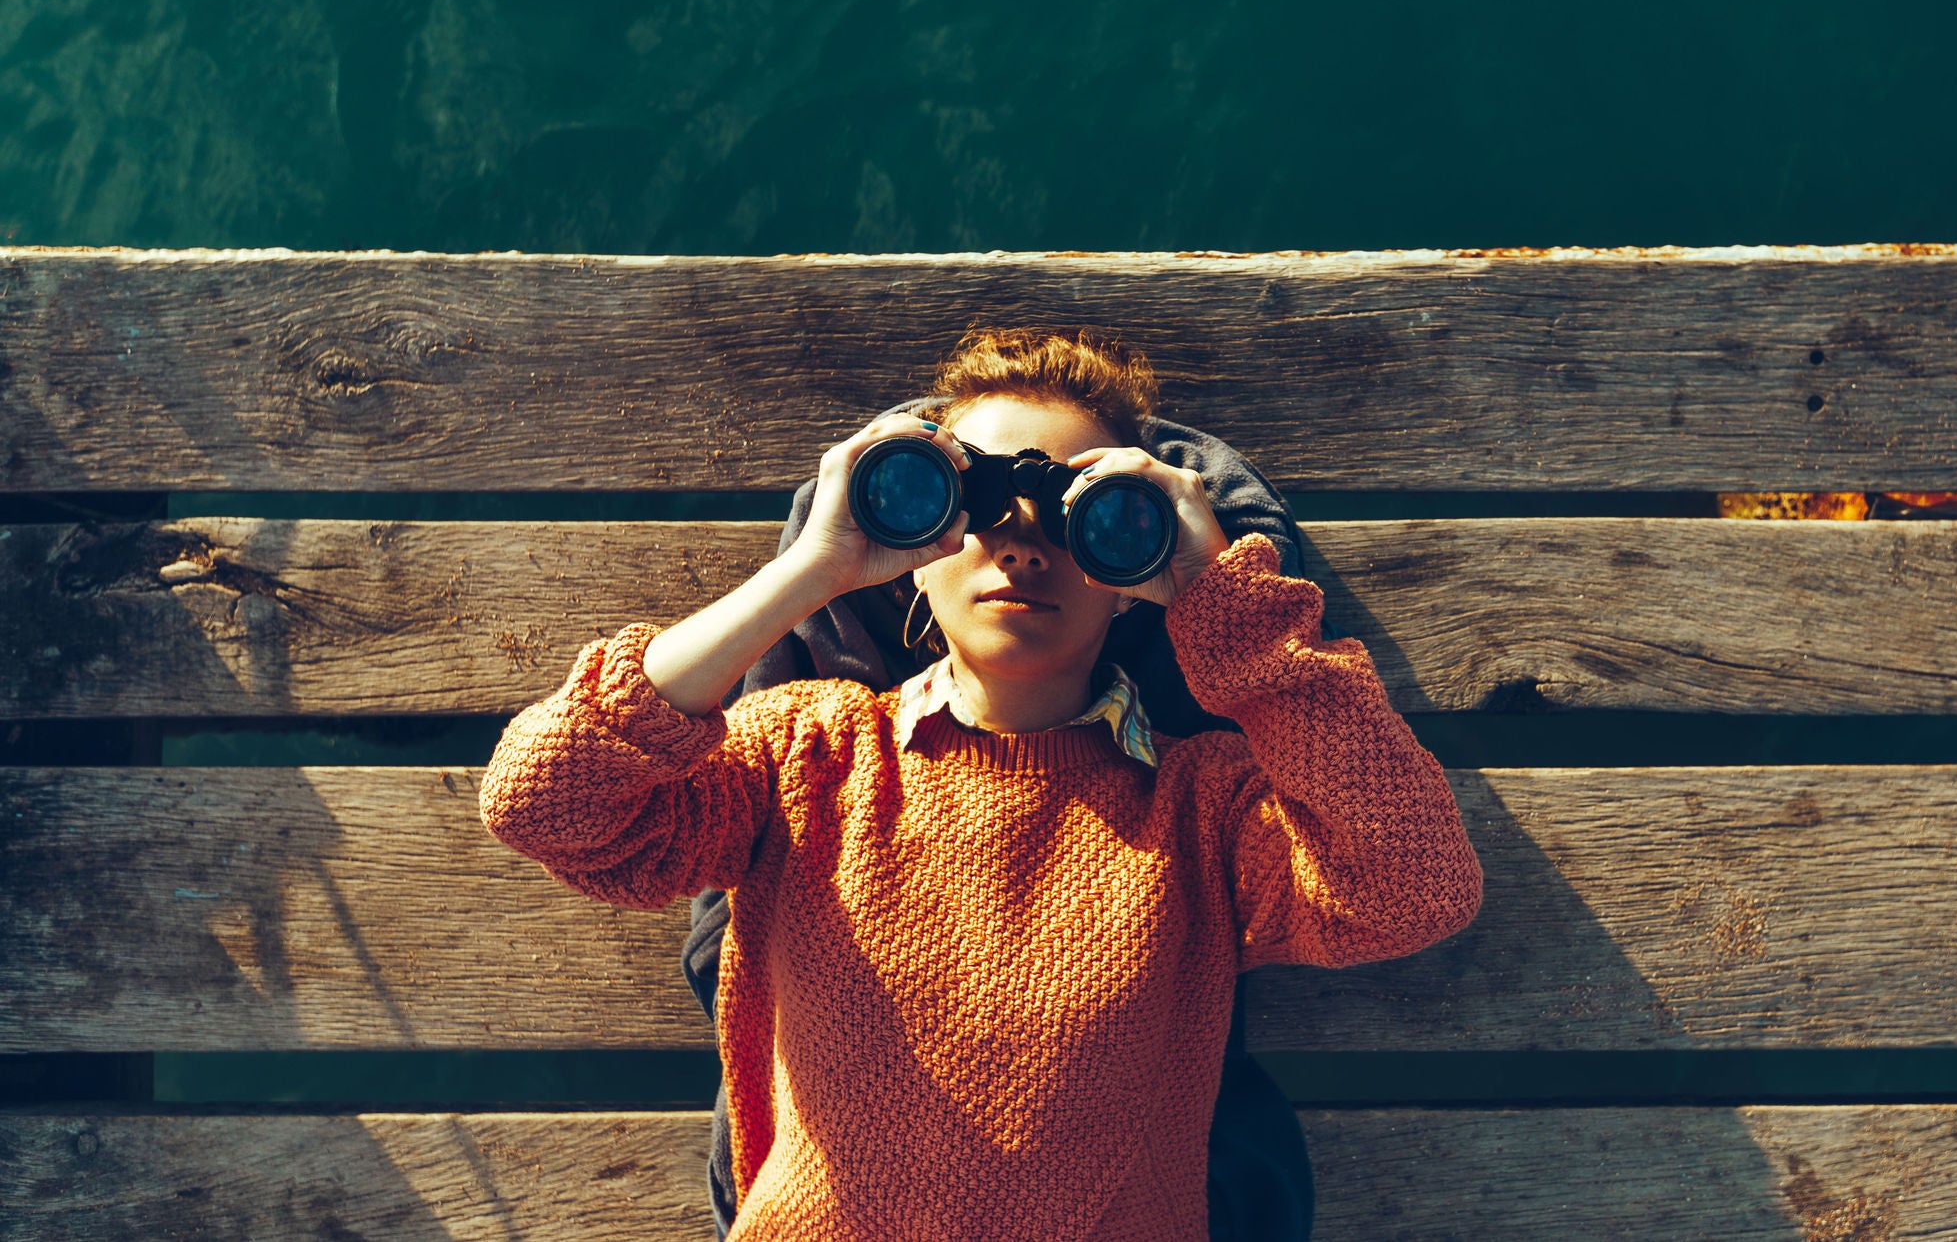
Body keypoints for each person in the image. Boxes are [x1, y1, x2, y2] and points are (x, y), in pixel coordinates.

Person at [478, 329, 1485, 1241]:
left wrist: (1227, 601)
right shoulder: (805, 755)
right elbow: (544, 798)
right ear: (908, 559)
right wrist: (810, 570)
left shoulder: (1200, 805)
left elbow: (1409, 889)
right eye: (965, 509)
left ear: (1131, 573)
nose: (1018, 541)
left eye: (1083, 518)